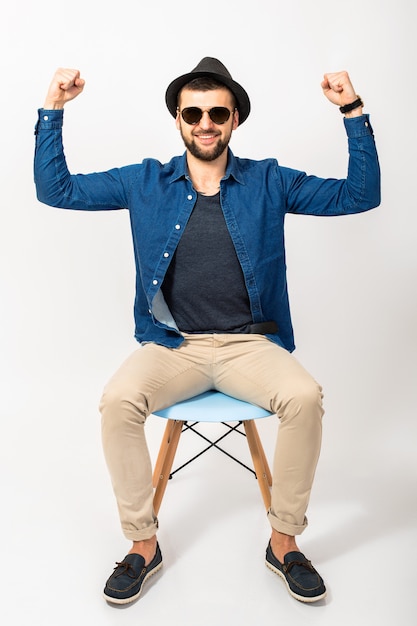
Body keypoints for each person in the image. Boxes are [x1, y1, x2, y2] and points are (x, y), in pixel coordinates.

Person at [34, 57, 380, 605]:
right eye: (193, 111)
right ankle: (142, 545)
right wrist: (53, 106)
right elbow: (56, 190)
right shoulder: (143, 180)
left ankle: (284, 541)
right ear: (177, 118)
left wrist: (352, 112)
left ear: (235, 118)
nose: (205, 121)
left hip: (249, 346)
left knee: (305, 397)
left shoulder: (269, 179)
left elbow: (358, 196)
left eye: (217, 111)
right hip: (174, 347)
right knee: (118, 401)